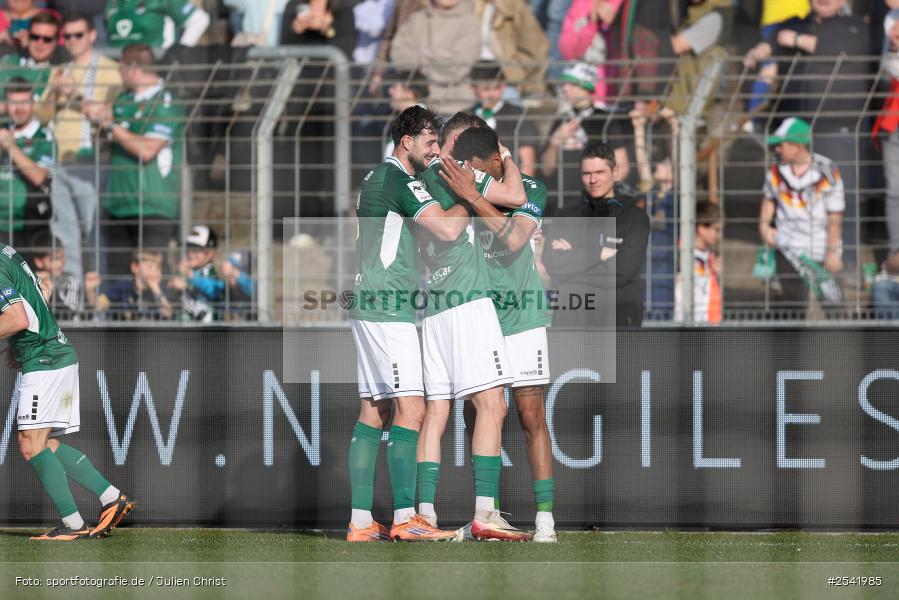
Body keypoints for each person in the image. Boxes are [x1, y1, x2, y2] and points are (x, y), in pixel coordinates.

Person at [413, 111, 530, 541]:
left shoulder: (419, 180)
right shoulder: (461, 173)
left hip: (435, 306)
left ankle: (423, 513)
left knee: (436, 411)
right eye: (473, 147)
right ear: (456, 143)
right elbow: (516, 196)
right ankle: (485, 512)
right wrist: (506, 157)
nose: (478, 158)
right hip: (469, 303)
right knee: (492, 406)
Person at [345, 105, 459, 542]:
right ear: (406, 141)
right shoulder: (398, 179)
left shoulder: (378, 177)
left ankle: (359, 522)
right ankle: (406, 517)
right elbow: (446, 231)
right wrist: (471, 195)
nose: (435, 151)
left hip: (371, 301)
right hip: (387, 308)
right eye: (430, 142)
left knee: (374, 410)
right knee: (413, 409)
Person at [439, 126, 557, 542]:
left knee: (531, 417)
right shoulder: (461, 185)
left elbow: (516, 239)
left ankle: (545, 521)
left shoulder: (528, 188)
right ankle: (483, 514)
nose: (468, 172)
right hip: (480, 315)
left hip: (523, 316)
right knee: (480, 412)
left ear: (492, 159)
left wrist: (474, 196)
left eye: (473, 164)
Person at [0, 241, 134, 540]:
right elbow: (41, 290)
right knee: (42, 443)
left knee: (30, 444)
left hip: (45, 361)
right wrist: (18, 343)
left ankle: (73, 525)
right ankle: (111, 497)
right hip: (53, 355)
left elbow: (16, 318)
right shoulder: (5, 252)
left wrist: (22, 338)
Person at [84, 43, 185, 277]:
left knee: (151, 277)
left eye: (120, 68)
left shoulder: (165, 102)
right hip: (119, 204)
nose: (119, 74)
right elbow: (108, 139)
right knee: (120, 280)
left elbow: (147, 150)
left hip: (152, 205)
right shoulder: (123, 99)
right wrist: (96, 120)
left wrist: (110, 124)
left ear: (132, 69)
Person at [36, 12, 122, 286]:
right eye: (67, 36)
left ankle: (100, 301)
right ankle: (71, 302)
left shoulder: (109, 69)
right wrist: (53, 93)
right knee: (64, 236)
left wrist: (74, 94)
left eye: (78, 35)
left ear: (92, 36)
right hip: (60, 162)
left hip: (91, 162)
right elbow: (43, 116)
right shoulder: (60, 70)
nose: (71, 41)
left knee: (93, 232)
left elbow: (108, 112)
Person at [542, 141, 650, 327]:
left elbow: (623, 271)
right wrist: (599, 253)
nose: (593, 180)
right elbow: (553, 264)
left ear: (614, 171)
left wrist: (572, 261)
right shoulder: (566, 215)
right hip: (573, 320)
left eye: (600, 172)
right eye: (587, 173)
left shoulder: (633, 217)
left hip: (618, 319)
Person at [759, 117, 844, 317]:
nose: (777, 150)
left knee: (835, 305)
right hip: (789, 247)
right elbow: (769, 199)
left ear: (796, 147)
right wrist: (763, 226)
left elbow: (835, 216)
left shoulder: (827, 171)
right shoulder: (776, 168)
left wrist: (831, 252)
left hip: (821, 247)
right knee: (791, 308)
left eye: (781, 145)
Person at [540, 62, 631, 213]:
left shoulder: (604, 120)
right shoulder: (561, 120)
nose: (565, 88)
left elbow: (622, 166)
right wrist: (554, 142)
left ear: (586, 87)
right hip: (563, 205)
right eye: (564, 84)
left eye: (572, 84)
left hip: (595, 207)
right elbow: (546, 169)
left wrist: (603, 198)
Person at [390, 0, 481, 115]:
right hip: (418, 105)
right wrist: (438, 57)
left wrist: (420, 56)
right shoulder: (416, 20)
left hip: (457, 107)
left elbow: (456, 69)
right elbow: (399, 57)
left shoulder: (470, 22)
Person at [0, 78, 54, 248]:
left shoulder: (43, 135)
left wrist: (10, 147)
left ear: (33, 104)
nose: (20, 109)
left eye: (25, 102)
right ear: (5, 106)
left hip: (30, 224)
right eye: (13, 103)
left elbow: (40, 177)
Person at [468, 61, 540, 176]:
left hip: (511, 184)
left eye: (496, 88)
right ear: (474, 88)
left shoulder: (518, 115)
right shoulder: (466, 117)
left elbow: (528, 163)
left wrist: (519, 190)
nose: (491, 94)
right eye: (486, 89)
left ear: (503, 87)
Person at [473, 0, 548, 97]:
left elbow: (537, 48)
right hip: (473, 78)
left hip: (506, 80)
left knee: (508, 100)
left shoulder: (516, 7)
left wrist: (516, 70)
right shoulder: (470, 7)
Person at [0, 12, 68, 110]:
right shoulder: (7, 64)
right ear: (28, 36)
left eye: (47, 39)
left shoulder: (62, 71)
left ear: (56, 41)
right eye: (35, 37)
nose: (40, 43)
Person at [874, 7, 899, 270]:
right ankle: (897, 254)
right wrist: (894, 48)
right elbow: (887, 69)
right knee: (894, 190)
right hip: (896, 113)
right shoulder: (891, 18)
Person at [674, 201, 722, 324]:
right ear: (701, 229)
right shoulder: (680, 252)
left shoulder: (709, 257)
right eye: (716, 230)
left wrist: (716, 275)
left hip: (707, 324)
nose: (719, 235)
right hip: (684, 323)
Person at [94, 248, 173, 320]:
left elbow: (168, 313)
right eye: (150, 267)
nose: (155, 271)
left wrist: (156, 289)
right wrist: (90, 290)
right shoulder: (124, 284)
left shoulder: (160, 289)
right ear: (135, 268)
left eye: (158, 268)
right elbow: (99, 305)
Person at [168, 225, 225, 323]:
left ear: (211, 253)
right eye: (188, 249)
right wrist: (175, 280)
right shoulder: (187, 271)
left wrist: (190, 278)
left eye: (197, 250)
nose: (190, 254)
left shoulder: (212, 273)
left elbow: (215, 291)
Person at [104, 0, 210, 49]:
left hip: (155, 70)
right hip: (118, 71)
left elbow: (200, 20)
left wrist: (180, 52)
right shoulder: (112, 2)